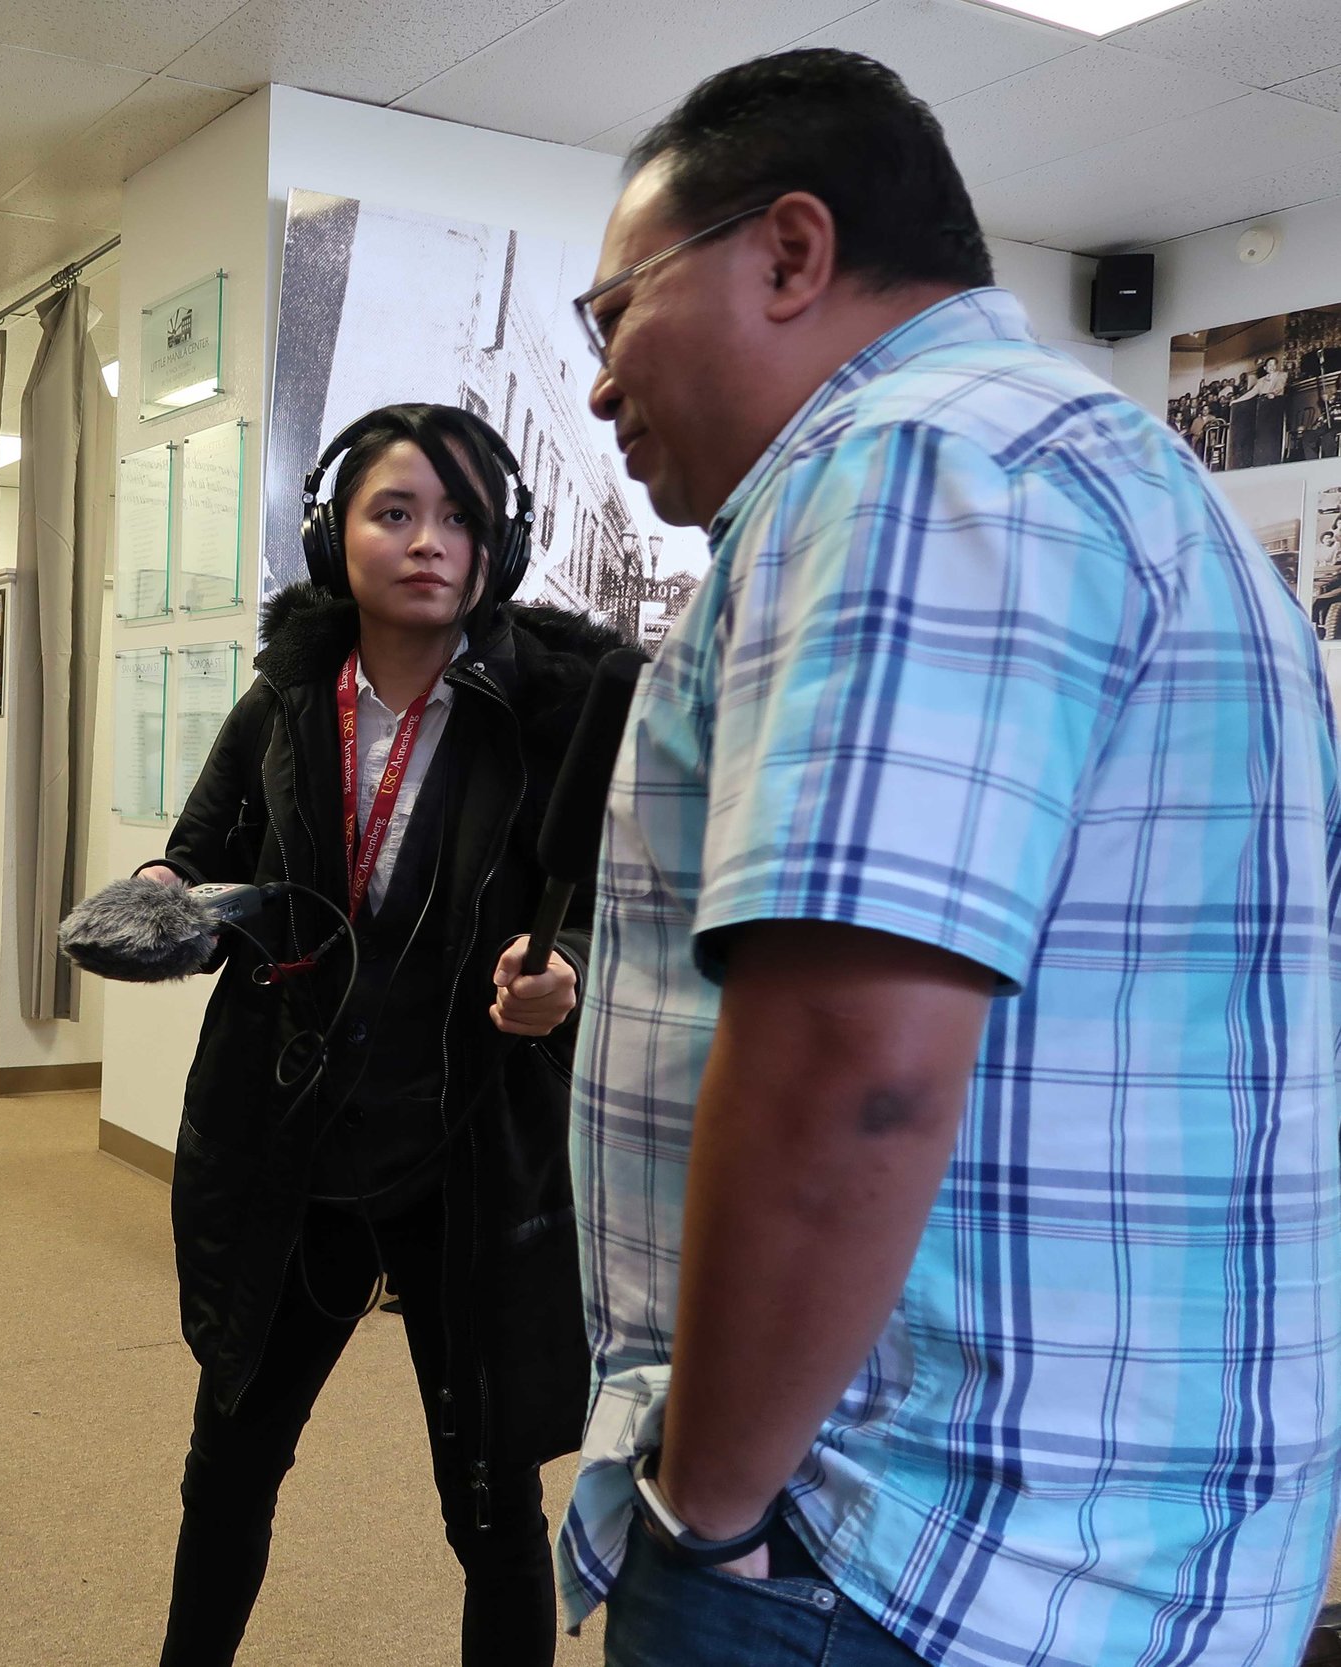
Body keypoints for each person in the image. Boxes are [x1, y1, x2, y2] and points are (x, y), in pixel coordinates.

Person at [560, 48, 1341, 1667]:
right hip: (1133, 1550)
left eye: (612, 312)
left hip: (901, 1557)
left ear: (789, 252)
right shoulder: (1137, 482)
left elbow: (856, 1062)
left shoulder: (914, 462)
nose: (598, 384)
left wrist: (706, 1507)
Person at [133, 401, 623, 1666]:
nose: (427, 541)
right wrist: (163, 899)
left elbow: (608, 919)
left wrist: (558, 977)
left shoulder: (551, 719)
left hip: (459, 1152)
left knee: (492, 1508)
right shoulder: (282, 704)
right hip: (287, 1141)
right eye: (393, 511)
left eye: (458, 516)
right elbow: (193, 855)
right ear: (331, 534)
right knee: (228, 1466)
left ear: (499, 545)